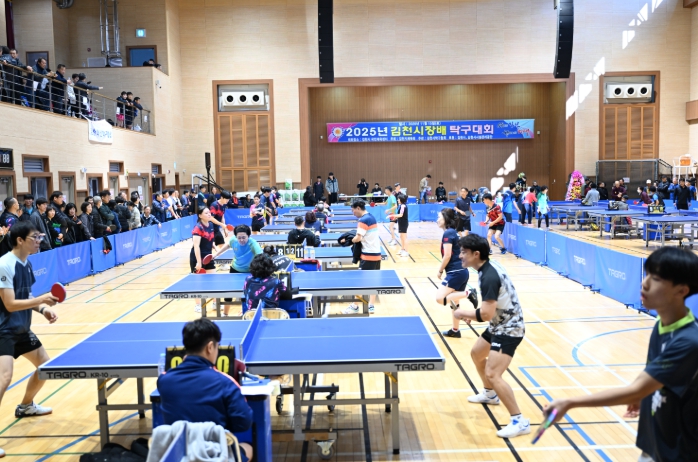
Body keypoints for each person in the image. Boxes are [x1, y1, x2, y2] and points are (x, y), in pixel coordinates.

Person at [545, 247, 698, 461]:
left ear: (681, 291)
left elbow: (636, 390)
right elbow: (653, 376)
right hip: (655, 444)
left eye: (655, 279)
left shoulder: (689, 342)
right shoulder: (662, 325)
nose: (644, 283)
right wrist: (643, 394)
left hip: (680, 452)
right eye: (647, 275)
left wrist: (569, 402)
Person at [452, 234, 528, 438]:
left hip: (509, 329)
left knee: (493, 374)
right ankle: (490, 394)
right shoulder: (486, 267)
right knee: (477, 354)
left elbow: (485, 314)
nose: (460, 256)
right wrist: (475, 314)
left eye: (464, 252)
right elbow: (489, 310)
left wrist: (462, 313)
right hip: (498, 323)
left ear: (476, 254)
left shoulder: (489, 276)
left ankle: (519, 421)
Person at [0, 221, 60, 458]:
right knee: (4, 378)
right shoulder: (5, 265)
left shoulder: (27, 263)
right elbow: (10, 304)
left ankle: (26, 406)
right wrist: (41, 300)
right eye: (35, 237)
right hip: (3, 330)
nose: (39, 241)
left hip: (22, 329)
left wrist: (43, 309)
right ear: (20, 240)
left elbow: (27, 296)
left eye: (40, 237)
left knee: (45, 366)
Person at [156, 319, 254, 462]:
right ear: (210, 347)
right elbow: (244, 422)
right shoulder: (225, 382)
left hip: (180, 454)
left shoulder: (164, 381)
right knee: (248, 447)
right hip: (215, 454)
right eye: (217, 347)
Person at [436, 209, 478, 339]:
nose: (437, 220)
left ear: (446, 219)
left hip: (456, 272)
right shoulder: (453, 232)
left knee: (440, 298)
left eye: (439, 217)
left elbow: (447, 255)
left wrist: (440, 270)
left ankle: (469, 293)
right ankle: (455, 330)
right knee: (454, 303)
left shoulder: (448, 233)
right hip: (461, 272)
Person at [213, 225, 263, 316]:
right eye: (239, 237)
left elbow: (261, 256)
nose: (241, 240)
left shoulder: (253, 244)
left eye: (244, 237)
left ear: (248, 236)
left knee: (247, 294)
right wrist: (217, 254)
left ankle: (245, 311)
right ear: (236, 236)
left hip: (249, 271)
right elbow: (228, 245)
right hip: (235, 269)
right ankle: (225, 314)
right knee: (229, 293)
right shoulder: (233, 240)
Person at [343, 200, 381, 314]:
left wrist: (349, 240)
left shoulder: (363, 220)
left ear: (358, 208)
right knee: (373, 281)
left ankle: (355, 306)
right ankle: (371, 305)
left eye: (353, 210)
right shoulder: (372, 217)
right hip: (376, 254)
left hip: (368, 255)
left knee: (360, 282)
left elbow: (358, 238)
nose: (353, 213)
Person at [190, 207, 216, 312]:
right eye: (206, 213)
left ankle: (215, 303)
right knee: (198, 282)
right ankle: (197, 305)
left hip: (208, 256)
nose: (209, 214)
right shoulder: (198, 227)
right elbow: (196, 246)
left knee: (214, 280)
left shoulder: (211, 225)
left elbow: (210, 239)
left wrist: (214, 247)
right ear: (200, 215)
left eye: (209, 212)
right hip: (198, 257)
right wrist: (199, 262)